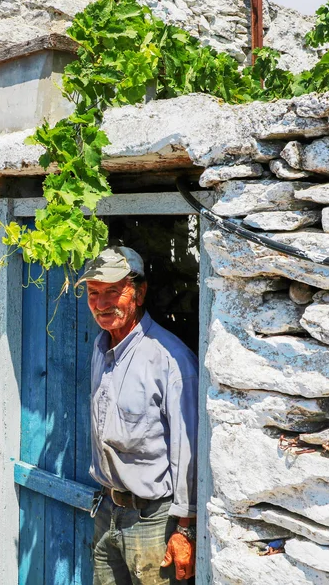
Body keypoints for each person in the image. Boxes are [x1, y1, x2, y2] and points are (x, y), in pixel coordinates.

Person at [78, 246, 199, 585]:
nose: (102, 304)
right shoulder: (102, 348)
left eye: (114, 291)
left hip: (155, 521)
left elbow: (188, 453)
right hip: (107, 512)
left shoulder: (170, 361)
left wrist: (185, 530)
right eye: (94, 293)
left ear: (140, 291)